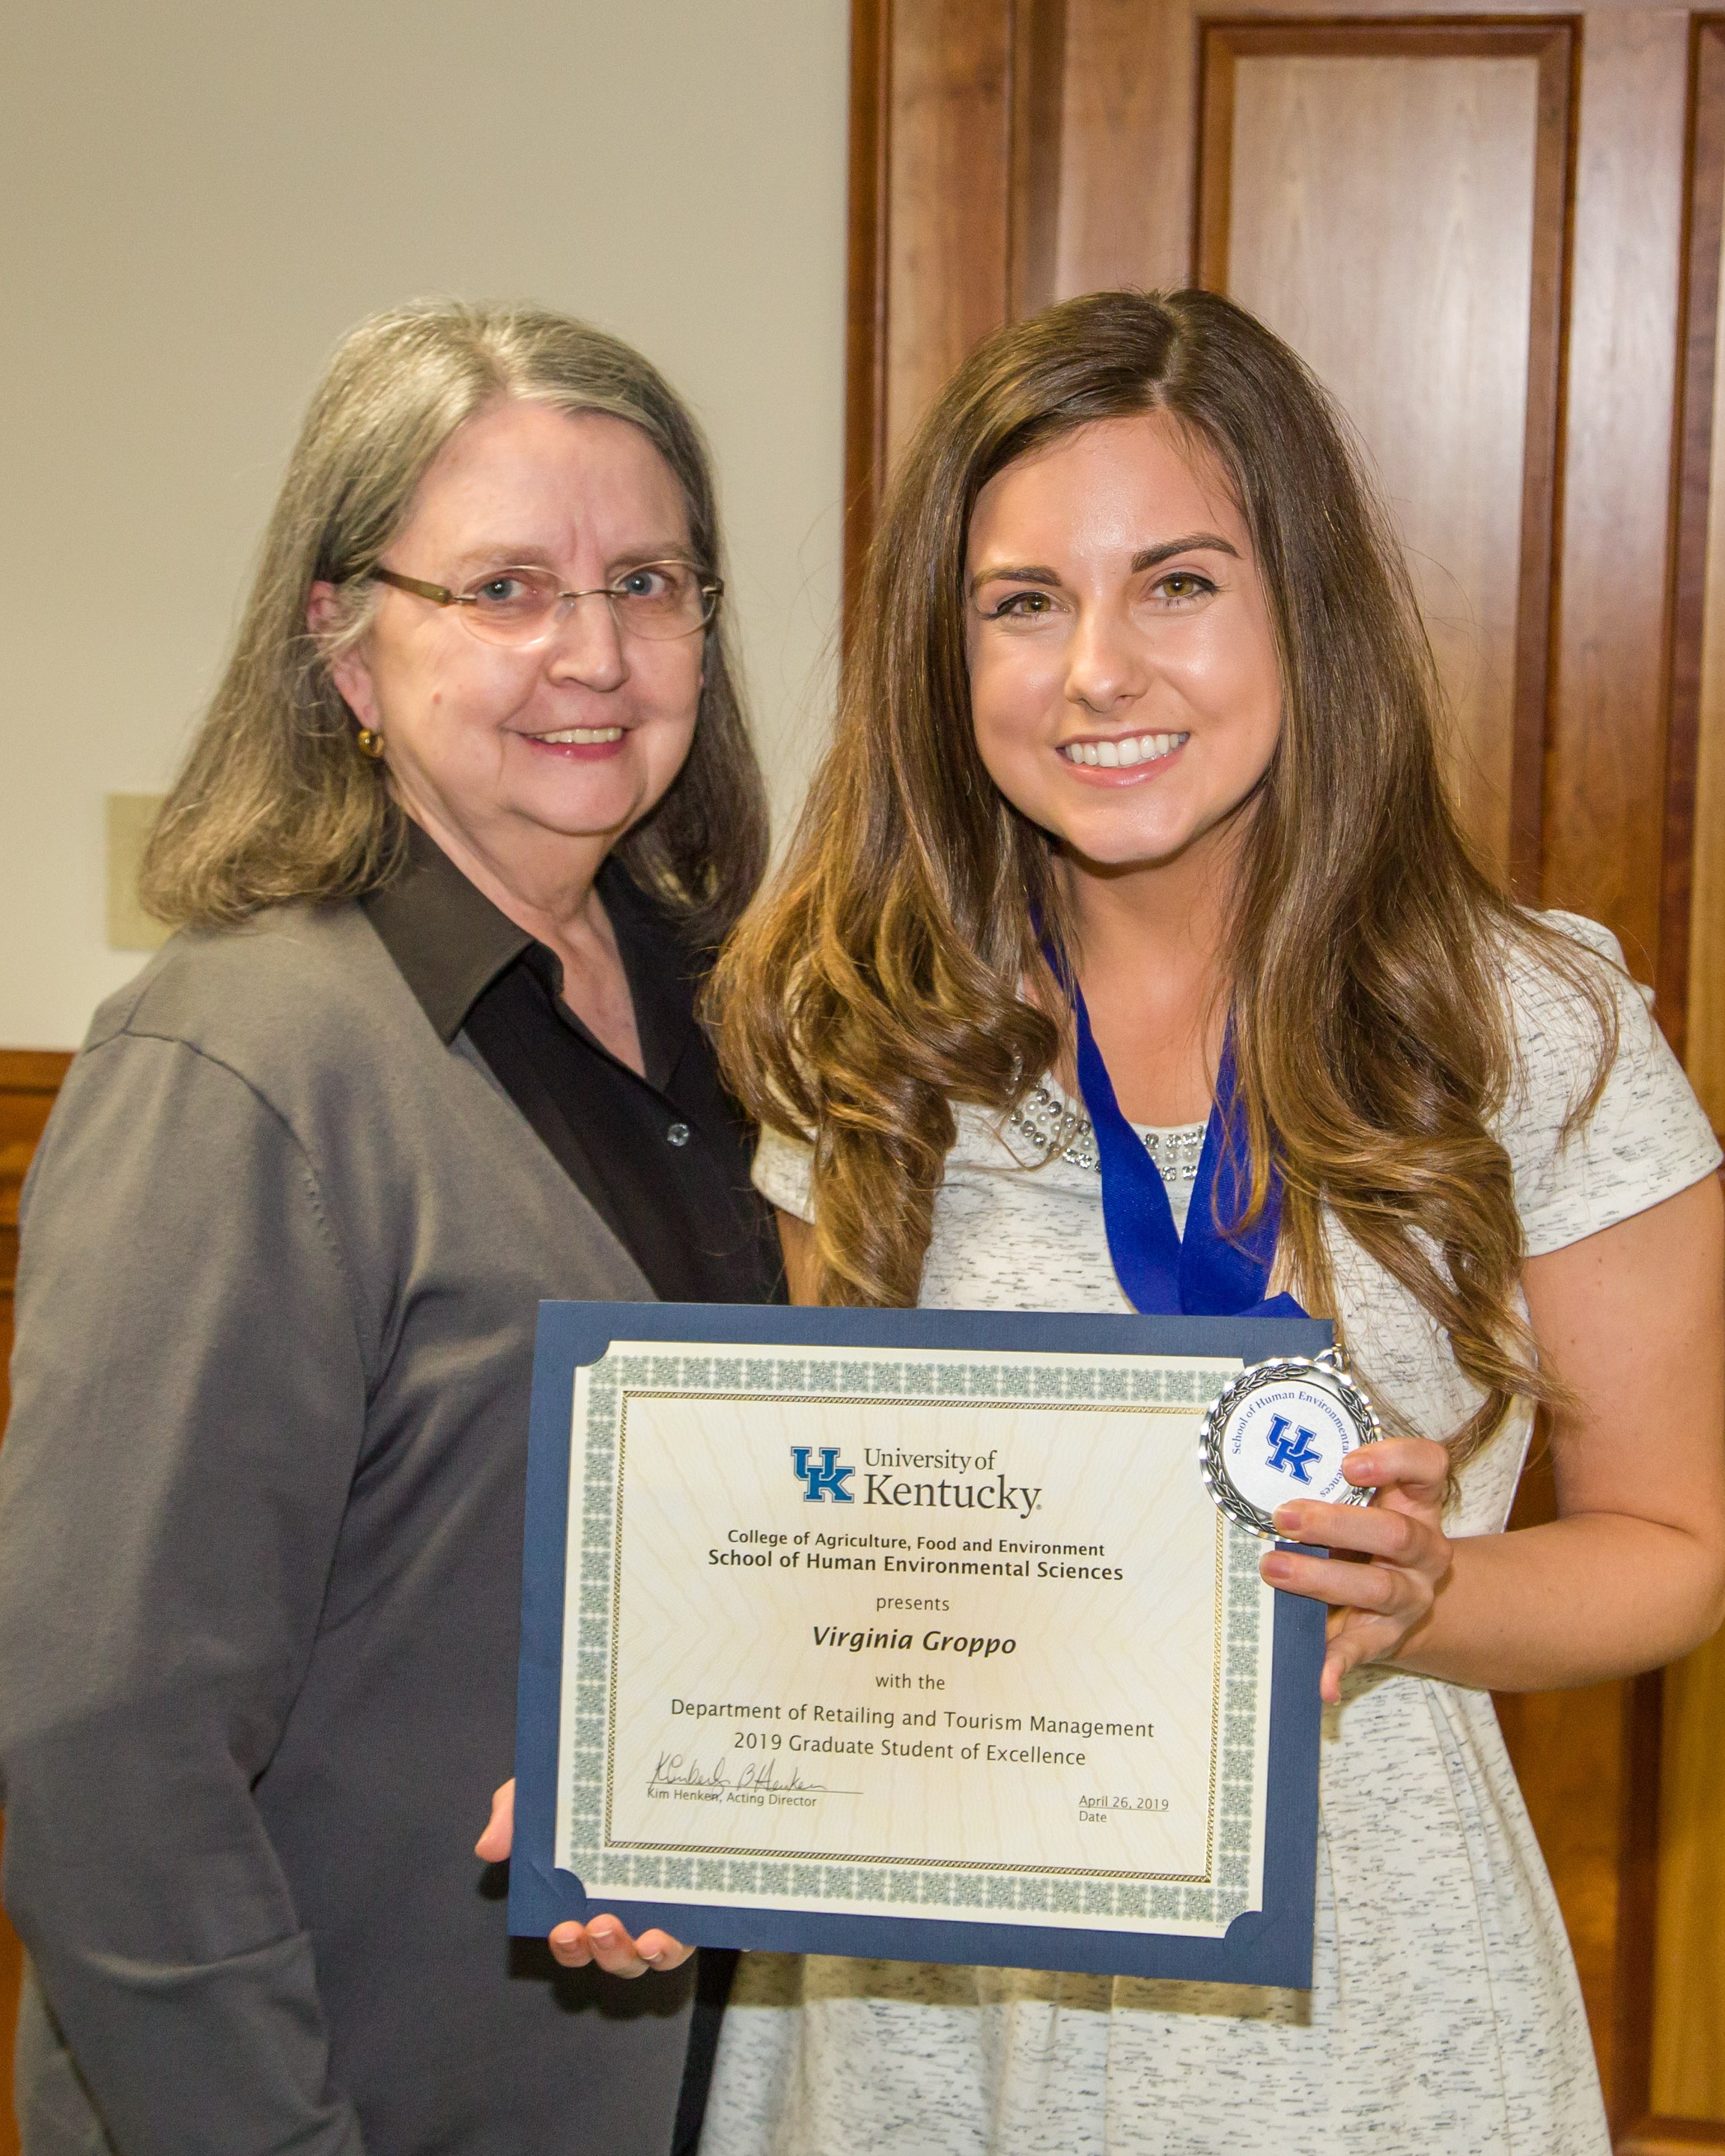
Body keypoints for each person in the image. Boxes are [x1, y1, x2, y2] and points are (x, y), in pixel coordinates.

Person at [690, 289, 1725, 2153]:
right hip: (929, 2032)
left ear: (1302, 608)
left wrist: (1431, 1596)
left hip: (1368, 2025)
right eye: (1024, 601)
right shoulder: (870, 1035)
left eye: (1177, 582)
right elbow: (806, 1551)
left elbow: (1675, 1544)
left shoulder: (1534, 1030)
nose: (1100, 668)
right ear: (951, 653)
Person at [0, 300, 774, 2156]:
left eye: (647, 581)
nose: (591, 651)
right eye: (503, 588)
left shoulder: (735, 1020)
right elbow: (105, 1753)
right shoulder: (239, 1062)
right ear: (343, 649)